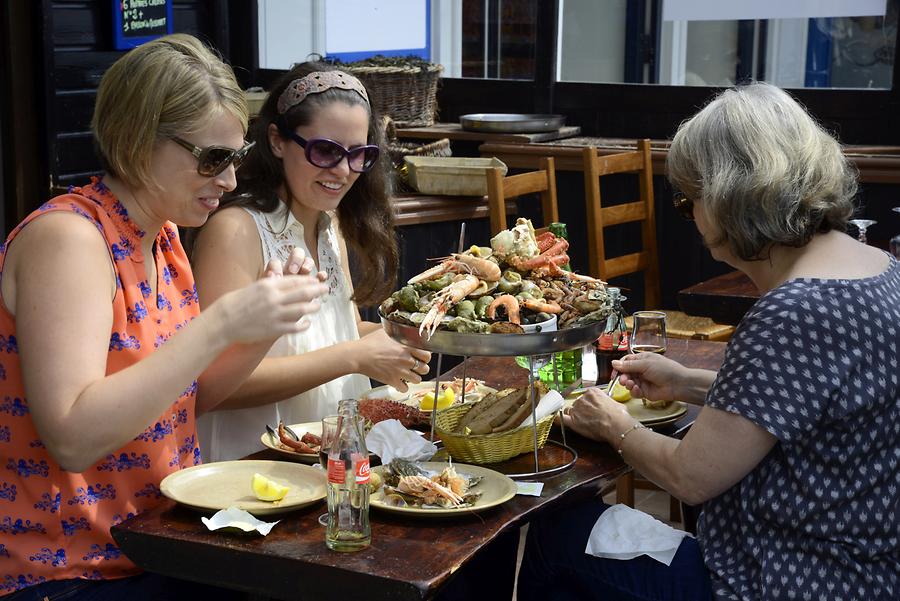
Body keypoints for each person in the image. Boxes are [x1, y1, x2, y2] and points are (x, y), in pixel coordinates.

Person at [520, 82, 899, 600]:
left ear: (729, 197)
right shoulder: (879, 267)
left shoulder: (795, 311)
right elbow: (804, 397)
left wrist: (614, 424)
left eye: (687, 201)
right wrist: (687, 381)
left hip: (786, 577)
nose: (691, 216)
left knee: (554, 535)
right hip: (868, 568)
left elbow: (691, 477)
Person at [0, 35, 329, 599]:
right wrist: (221, 324)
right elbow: (73, 437)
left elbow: (184, 400)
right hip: (69, 574)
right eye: (212, 158)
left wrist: (263, 326)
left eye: (237, 157)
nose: (228, 181)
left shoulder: (163, 235)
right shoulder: (70, 240)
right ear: (135, 141)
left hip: (154, 545)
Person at [191, 63, 431, 462]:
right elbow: (215, 386)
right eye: (325, 151)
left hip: (324, 461)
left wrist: (410, 336)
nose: (342, 170)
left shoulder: (328, 221)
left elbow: (342, 329)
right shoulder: (234, 230)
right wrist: (355, 357)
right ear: (277, 140)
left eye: (359, 155)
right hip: (252, 472)